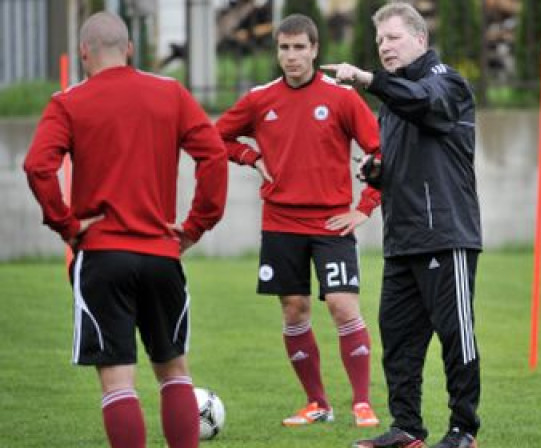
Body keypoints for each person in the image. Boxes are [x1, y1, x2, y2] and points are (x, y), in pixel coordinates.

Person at [23, 12, 228, 448]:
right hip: (161, 255)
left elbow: (37, 166)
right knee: (174, 371)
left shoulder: (68, 102)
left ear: (83, 53)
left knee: (118, 381)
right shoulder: (170, 93)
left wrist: (67, 224)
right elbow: (213, 153)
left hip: (102, 256)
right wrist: (195, 227)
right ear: (130, 49)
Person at [322, 2, 482, 447]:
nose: (384, 47)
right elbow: (402, 153)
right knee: (398, 340)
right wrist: (378, 171)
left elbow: (424, 103)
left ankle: (463, 429)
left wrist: (369, 80)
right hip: (402, 238)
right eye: (379, 41)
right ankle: (407, 428)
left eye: (392, 38)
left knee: (456, 336)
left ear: (419, 39)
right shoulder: (392, 102)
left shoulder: (446, 82)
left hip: (446, 235)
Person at [215, 14, 381, 428]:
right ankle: (317, 403)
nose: (291, 56)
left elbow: (381, 152)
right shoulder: (259, 99)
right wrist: (251, 158)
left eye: (299, 48)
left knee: (343, 306)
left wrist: (365, 206)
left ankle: (362, 402)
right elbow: (216, 136)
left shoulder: (342, 98)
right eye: (284, 48)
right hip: (280, 222)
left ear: (314, 50)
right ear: (277, 52)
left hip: (331, 224)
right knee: (294, 310)